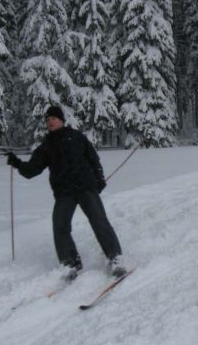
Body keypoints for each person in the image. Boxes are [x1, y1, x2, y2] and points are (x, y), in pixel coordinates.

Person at [7, 106, 125, 279]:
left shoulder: (77, 137)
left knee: (99, 221)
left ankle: (115, 258)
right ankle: (70, 263)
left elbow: (93, 158)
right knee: (60, 226)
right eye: (48, 120)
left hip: (85, 187)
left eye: (54, 118)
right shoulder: (47, 146)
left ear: (62, 120)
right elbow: (32, 170)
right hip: (64, 192)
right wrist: (17, 163)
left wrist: (99, 179)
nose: (51, 122)